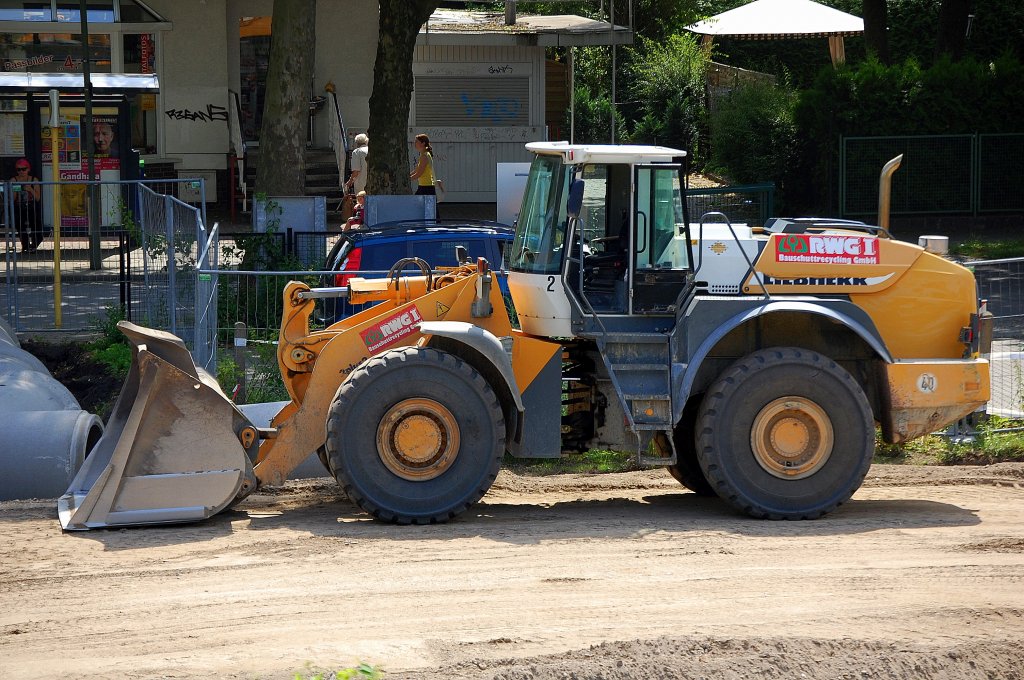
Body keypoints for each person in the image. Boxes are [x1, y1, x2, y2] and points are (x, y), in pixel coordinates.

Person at [10, 159, 42, 253]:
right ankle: (26, 246)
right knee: (21, 227)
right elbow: (12, 198)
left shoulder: (33, 180)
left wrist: (30, 189)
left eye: (23, 169)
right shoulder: (14, 180)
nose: (21, 172)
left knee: (36, 226)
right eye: (18, 170)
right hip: (19, 206)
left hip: (32, 206)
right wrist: (16, 188)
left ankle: (34, 245)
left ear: (28, 169)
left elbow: (37, 198)